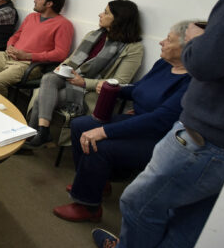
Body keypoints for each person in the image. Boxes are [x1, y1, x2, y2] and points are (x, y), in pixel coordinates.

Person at [93, 0, 224, 248]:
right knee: (189, 223)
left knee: (138, 203)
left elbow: (206, 62)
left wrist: (197, 39)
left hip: (202, 141)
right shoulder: (158, 65)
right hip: (212, 143)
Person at [52, 21, 192, 223]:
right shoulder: (164, 65)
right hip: (136, 120)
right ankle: (97, 181)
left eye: (169, 40)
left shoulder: (191, 82)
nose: (161, 42)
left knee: (98, 143)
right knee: (80, 125)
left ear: (188, 48)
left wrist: (104, 132)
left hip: (158, 136)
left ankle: (88, 207)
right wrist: (110, 87)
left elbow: (159, 120)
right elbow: (137, 89)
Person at [24, 0, 144, 148]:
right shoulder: (93, 35)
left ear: (119, 19)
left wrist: (85, 82)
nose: (100, 14)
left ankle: (35, 134)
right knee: (49, 77)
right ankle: (42, 133)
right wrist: (61, 68)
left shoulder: (133, 48)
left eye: (106, 13)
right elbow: (71, 60)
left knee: (41, 95)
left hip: (92, 91)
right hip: (71, 78)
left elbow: (119, 82)